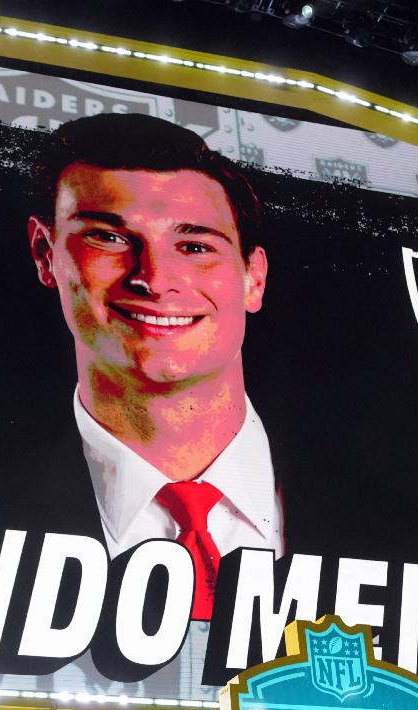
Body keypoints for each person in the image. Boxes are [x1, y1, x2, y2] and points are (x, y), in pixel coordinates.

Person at [26, 113, 282, 621]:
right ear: (44, 253)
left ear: (253, 278)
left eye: (195, 246)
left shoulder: (393, 497)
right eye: (109, 238)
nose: (155, 279)